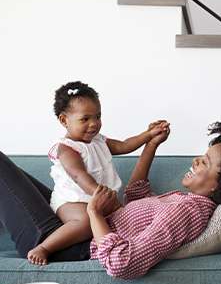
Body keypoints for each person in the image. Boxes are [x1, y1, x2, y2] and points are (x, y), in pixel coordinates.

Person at [0, 122, 221, 280]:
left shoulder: (188, 212)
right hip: (73, 227)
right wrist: (151, 145)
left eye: (205, 162)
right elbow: (136, 195)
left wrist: (95, 214)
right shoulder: (184, 200)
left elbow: (124, 263)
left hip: (64, 244)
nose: (195, 160)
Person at [28, 81, 169, 266]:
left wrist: (148, 135)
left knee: (110, 222)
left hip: (96, 200)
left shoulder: (99, 141)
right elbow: (78, 176)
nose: (93, 124)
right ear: (64, 121)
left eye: (98, 116)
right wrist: (104, 195)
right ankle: (44, 248)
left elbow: (124, 145)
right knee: (86, 222)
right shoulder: (67, 148)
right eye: (85, 119)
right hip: (71, 201)